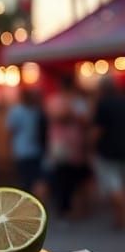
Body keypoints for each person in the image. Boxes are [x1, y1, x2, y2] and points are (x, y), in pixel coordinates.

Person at [45, 76, 90, 217]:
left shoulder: (79, 101)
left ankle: (76, 209)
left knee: (76, 176)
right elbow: (58, 117)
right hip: (60, 144)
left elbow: (86, 120)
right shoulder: (55, 100)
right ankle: (63, 208)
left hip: (77, 144)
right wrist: (71, 111)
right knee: (61, 176)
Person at [92, 76, 125, 228]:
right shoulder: (122, 101)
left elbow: (98, 130)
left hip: (109, 151)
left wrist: (89, 145)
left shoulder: (103, 104)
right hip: (120, 149)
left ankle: (121, 219)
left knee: (114, 186)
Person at [6, 88, 46, 200]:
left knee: (35, 179)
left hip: (34, 150)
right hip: (22, 151)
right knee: (26, 180)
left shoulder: (36, 111)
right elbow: (10, 132)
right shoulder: (17, 111)